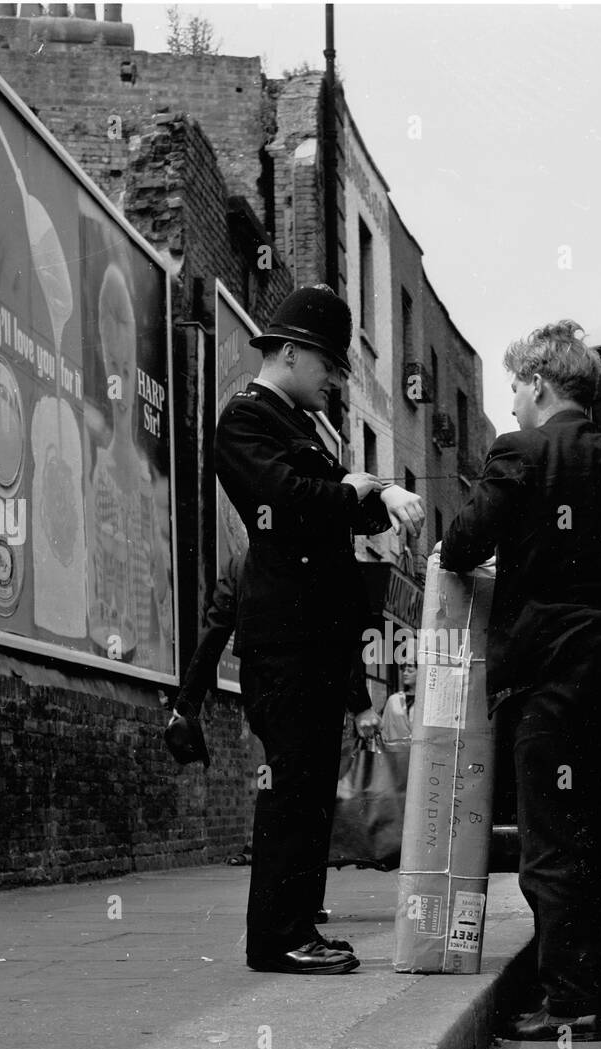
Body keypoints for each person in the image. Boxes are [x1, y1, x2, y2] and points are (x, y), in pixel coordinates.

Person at [215, 285, 424, 974]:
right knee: (291, 792)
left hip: (313, 643)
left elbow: (345, 499)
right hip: (283, 644)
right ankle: (277, 937)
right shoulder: (246, 421)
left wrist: (380, 491)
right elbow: (290, 500)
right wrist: (362, 490)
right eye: (329, 366)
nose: (335, 380)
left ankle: (298, 925)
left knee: (308, 798)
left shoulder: (294, 427)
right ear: (294, 353)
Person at [440, 320, 601, 1040]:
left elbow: (463, 543)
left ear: (540, 385)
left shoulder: (519, 452)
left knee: (549, 841)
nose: (513, 399)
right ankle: (600, 991)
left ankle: (568, 1004)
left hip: (543, 677)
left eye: (517, 385)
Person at [171, 547, 362, 950]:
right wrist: (358, 703)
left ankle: (300, 923)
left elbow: (214, 629)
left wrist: (187, 701)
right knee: (303, 800)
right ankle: (291, 925)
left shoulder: (243, 561)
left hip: (264, 689)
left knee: (294, 797)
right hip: (303, 685)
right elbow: (343, 629)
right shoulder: (296, 556)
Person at [379, 663, 417, 743]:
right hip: (395, 751)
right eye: (404, 670)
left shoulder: (427, 702)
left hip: (420, 752)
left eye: (410, 671)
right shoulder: (393, 700)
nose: (405, 673)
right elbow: (384, 729)